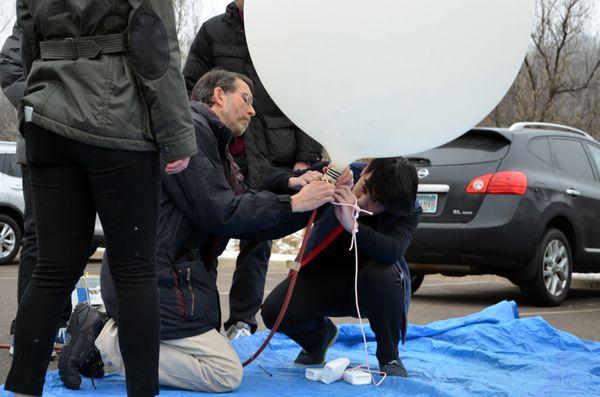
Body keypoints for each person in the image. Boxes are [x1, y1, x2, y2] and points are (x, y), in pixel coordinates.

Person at [58, 69, 338, 393]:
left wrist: (309, 199)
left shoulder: (212, 143)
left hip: (166, 279)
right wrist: (294, 204)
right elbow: (222, 211)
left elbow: (246, 211)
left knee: (214, 354)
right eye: (246, 100)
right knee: (224, 372)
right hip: (155, 281)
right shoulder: (188, 133)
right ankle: (107, 339)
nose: (252, 110)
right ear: (219, 95)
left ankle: (113, 333)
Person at [5, 1, 197, 396]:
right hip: (118, 117)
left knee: (51, 270)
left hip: (48, 113)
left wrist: (42, 91)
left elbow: (28, 38)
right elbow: (153, 40)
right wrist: (176, 134)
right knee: (135, 272)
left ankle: (23, 389)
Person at [183, 0, 324, 338]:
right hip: (220, 150)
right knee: (210, 229)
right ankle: (202, 318)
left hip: (273, 153)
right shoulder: (213, 31)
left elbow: (304, 99)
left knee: (258, 234)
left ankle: (242, 320)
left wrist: (303, 158)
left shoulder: (289, 38)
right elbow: (188, 85)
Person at [262, 158, 421, 377]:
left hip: (371, 288)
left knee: (384, 274)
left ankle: (389, 355)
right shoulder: (343, 172)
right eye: (364, 188)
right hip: (321, 276)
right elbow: (268, 179)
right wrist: (294, 181)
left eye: (377, 202)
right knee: (274, 311)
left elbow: (393, 250)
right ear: (365, 170)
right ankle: (318, 339)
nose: (362, 201)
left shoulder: (406, 208)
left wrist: (353, 226)